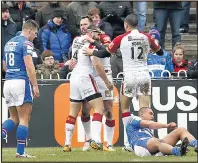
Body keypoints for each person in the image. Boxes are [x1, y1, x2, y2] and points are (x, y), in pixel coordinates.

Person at [82, 13, 163, 151]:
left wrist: (92, 53)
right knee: (144, 109)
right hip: (144, 75)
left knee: (125, 109)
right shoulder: (146, 37)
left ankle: (128, 144)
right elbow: (160, 52)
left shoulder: (121, 38)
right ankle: (148, 139)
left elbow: (105, 53)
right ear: (138, 24)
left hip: (130, 75)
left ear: (126, 25)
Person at [63, 25, 113, 152]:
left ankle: (67, 143)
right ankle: (95, 140)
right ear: (91, 33)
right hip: (85, 76)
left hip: (74, 77)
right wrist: (107, 82)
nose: (98, 36)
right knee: (99, 107)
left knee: (73, 111)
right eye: (96, 33)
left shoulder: (76, 40)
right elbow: (98, 63)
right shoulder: (90, 45)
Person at [2, 19, 40, 158]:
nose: (35, 36)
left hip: (8, 82)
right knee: (24, 118)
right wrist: (35, 85)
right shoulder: (26, 43)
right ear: (29, 30)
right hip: (21, 81)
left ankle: (3, 133)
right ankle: (20, 152)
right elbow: (29, 65)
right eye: (35, 33)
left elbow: (4, 65)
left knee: (13, 117)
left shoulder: (9, 43)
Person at [126, 107, 198, 156]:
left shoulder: (148, 130)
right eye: (150, 113)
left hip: (153, 146)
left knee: (181, 130)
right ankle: (178, 151)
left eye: (153, 115)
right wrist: (167, 125)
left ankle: (196, 144)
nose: (153, 116)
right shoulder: (133, 119)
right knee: (155, 140)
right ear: (142, 114)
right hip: (140, 146)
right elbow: (149, 124)